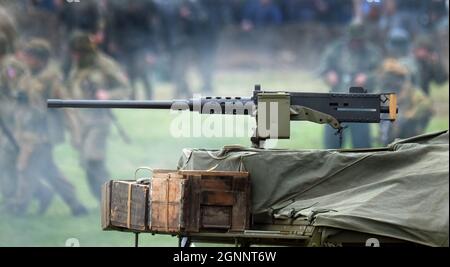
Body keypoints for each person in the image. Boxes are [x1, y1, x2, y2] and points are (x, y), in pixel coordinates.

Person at [9, 38, 87, 216]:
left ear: (41, 59)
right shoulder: (28, 76)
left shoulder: (51, 79)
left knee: (25, 168)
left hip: (41, 134)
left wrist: (75, 133)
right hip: (27, 132)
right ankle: (75, 205)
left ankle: (20, 207)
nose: (26, 60)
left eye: (30, 57)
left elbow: (64, 107)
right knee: (50, 171)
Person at [67, 31, 130, 201]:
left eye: (79, 52)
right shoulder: (78, 66)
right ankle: (102, 199)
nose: (76, 56)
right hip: (80, 121)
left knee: (93, 158)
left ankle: (112, 199)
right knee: (86, 164)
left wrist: (107, 95)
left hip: (98, 119)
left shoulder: (104, 64)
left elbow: (125, 88)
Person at [318, 21, 382, 149]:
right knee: (332, 144)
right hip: (336, 102)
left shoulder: (372, 53)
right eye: (353, 40)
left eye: (359, 40)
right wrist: (329, 74)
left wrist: (367, 78)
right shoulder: (336, 49)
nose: (356, 43)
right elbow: (323, 67)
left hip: (360, 104)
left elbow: (380, 74)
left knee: (362, 145)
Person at [378, 58, 434, 145]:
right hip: (391, 136)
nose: (391, 80)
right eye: (388, 76)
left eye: (393, 76)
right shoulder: (385, 92)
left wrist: (409, 115)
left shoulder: (410, 91)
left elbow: (426, 104)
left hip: (410, 135)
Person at [0, 31, 23, 208]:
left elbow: (15, 90)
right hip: (6, 118)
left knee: (9, 159)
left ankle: (13, 198)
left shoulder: (9, 66)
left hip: (11, 118)